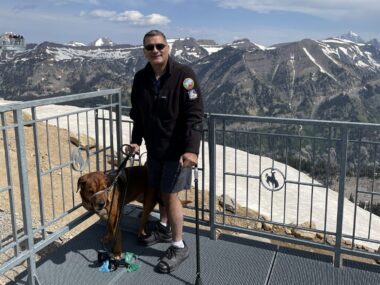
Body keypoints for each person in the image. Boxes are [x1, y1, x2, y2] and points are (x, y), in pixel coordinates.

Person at [129, 30, 204, 273]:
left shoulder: (185, 75)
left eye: (159, 46)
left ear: (168, 48)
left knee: (170, 195)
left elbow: (194, 116)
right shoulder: (141, 79)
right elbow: (138, 115)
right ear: (144, 51)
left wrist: (192, 150)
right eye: (150, 47)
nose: (155, 50)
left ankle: (178, 244)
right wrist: (135, 141)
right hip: (155, 149)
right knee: (160, 190)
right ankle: (163, 227)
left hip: (178, 151)